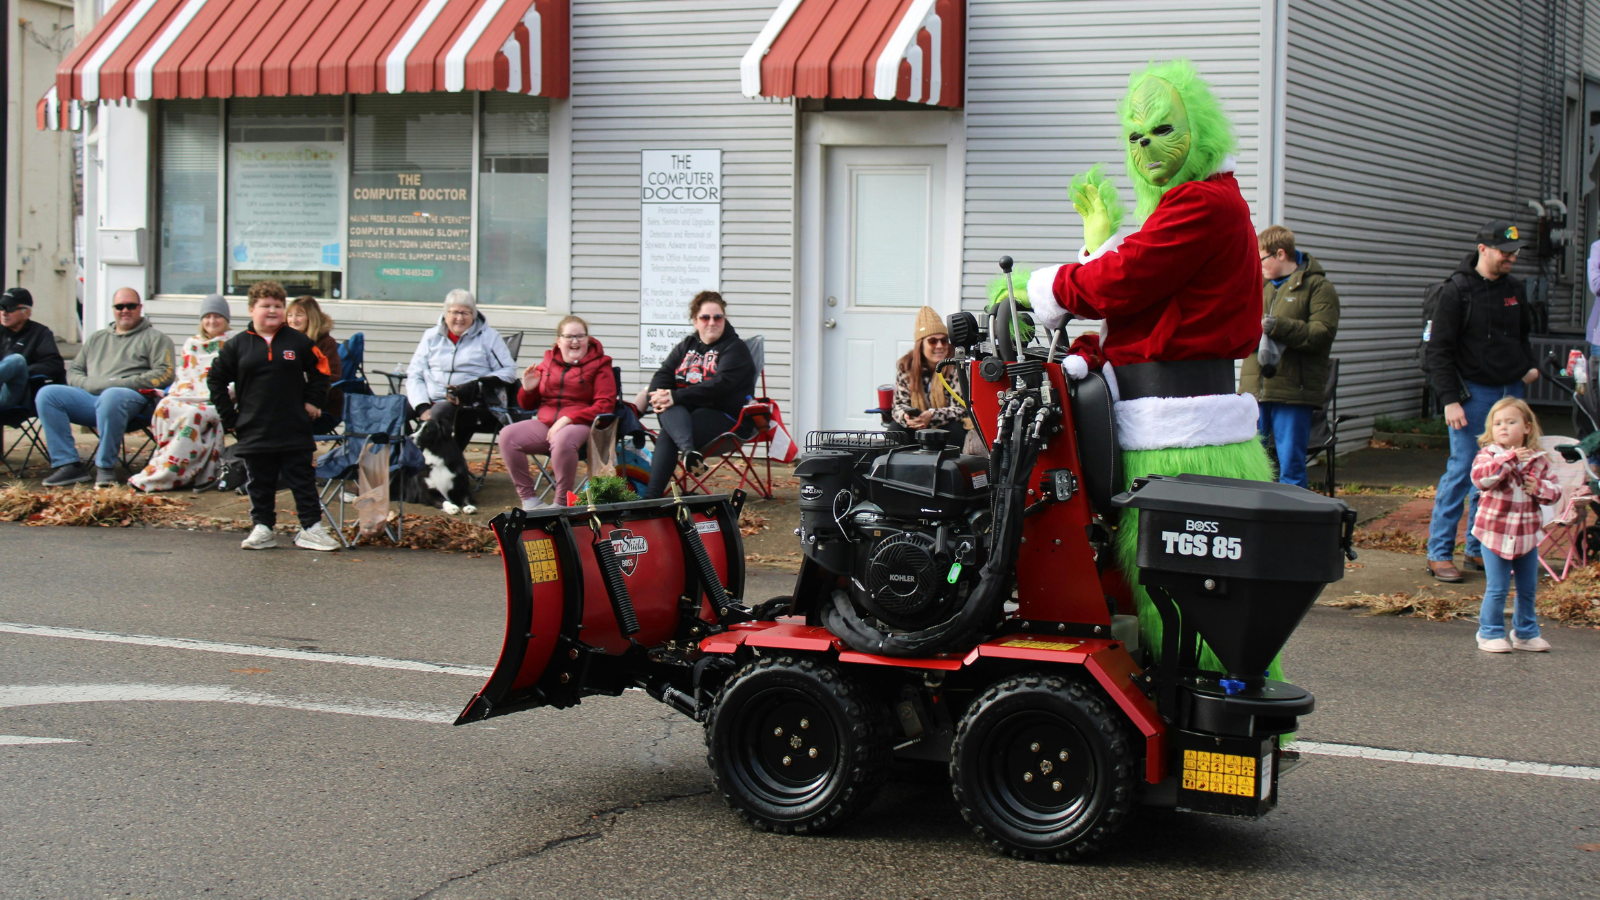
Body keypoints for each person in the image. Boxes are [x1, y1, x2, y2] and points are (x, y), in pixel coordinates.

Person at [991, 60, 1278, 681]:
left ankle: (1205, 705)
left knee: (1183, 599)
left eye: (1163, 130)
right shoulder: (1200, 203)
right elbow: (1143, 290)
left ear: (1200, 130)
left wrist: (1043, 287)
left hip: (1180, 435)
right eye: (1135, 136)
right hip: (1173, 422)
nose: (1147, 147)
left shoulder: (1203, 202)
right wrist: (1095, 246)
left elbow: (1125, 279)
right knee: (1164, 592)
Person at [1424, 221, 1539, 583]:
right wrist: (1449, 400)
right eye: (1505, 252)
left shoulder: (1514, 289)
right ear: (1483, 249)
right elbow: (1438, 350)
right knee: (1463, 470)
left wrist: (1527, 367)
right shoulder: (1456, 291)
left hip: (1510, 391)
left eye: (1514, 253)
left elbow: (1522, 336)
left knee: (1500, 471)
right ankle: (1439, 553)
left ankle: (1478, 548)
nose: (1511, 258)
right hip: (1471, 395)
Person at [208, 280, 338, 552]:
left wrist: (314, 401)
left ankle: (311, 529)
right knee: (260, 481)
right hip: (254, 428)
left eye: (278, 306)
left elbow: (322, 370)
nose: (272, 311)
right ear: (251, 309)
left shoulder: (299, 342)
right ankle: (263, 528)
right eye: (265, 305)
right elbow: (215, 379)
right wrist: (229, 417)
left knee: (302, 480)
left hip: (294, 427)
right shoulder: (237, 345)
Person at [37, 288, 175, 487]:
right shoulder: (97, 338)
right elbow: (74, 370)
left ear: (140, 308)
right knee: (48, 394)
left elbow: (165, 374)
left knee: (111, 395)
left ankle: (105, 468)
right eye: (120, 306)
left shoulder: (157, 339)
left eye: (131, 306)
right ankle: (68, 465)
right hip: (91, 398)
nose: (125, 310)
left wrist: (119, 383)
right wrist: (89, 384)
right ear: (113, 309)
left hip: (133, 400)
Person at [1238, 225, 1340, 489]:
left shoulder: (1317, 287)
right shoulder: (1257, 286)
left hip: (1294, 392)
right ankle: (1253, 512)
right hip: (1255, 391)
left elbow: (1323, 333)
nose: (1258, 265)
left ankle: (1291, 515)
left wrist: (1279, 327)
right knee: (1251, 465)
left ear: (1281, 254)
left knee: (1291, 466)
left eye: (1262, 259)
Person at [638, 291, 755, 499]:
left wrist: (676, 396)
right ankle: (688, 453)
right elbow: (663, 374)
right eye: (705, 317)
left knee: (670, 430)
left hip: (726, 418)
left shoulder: (735, 348)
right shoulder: (687, 345)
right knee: (670, 411)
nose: (712, 322)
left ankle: (651, 498)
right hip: (686, 415)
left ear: (724, 319)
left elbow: (719, 385)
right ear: (695, 321)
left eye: (718, 317)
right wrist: (659, 395)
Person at [498, 316, 616, 510]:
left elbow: (605, 405)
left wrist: (568, 419)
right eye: (569, 336)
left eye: (580, 336)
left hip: (583, 424)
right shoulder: (548, 363)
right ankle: (530, 500)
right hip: (547, 424)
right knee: (507, 435)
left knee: (562, 440)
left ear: (588, 339)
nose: (575, 341)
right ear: (558, 341)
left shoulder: (601, 364)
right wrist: (528, 389)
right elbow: (527, 406)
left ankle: (562, 504)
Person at [1469, 398, 1559, 652]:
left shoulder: (1539, 460)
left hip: (1527, 535)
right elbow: (1480, 479)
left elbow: (1555, 491)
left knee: (1528, 588)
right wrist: (1509, 459)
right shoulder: (1488, 455)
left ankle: (1525, 633)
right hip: (1494, 533)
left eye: (1511, 422)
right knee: (1497, 588)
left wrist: (1539, 488)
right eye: (1498, 423)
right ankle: (1489, 632)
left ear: (1527, 427)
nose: (1503, 427)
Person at [128, 294, 234, 492]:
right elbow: (184, 376)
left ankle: (167, 474)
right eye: (207, 316)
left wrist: (214, 396)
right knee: (165, 406)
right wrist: (184, 393)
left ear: (226, 319)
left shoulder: (234, 343)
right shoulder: (191, 344)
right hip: (188, 396)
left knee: (194, 415)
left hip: (217, 400)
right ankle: (166, 463)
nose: (212, 321)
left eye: (217, 316)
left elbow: (237, 379)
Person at [405, 289, 516, 449]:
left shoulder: (489, 337)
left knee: (439, 413)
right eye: (455, 312)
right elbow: (415, 373)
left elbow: (509, 371)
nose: (459, 318)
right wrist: (422, 406)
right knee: (395, 412)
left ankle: (436, 458)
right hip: (430, 396)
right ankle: (406, 456)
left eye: (465, 313)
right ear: (446, 314)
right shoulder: (431, 336)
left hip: (468, 402)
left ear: (473, 315)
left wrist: (477, 384)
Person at [890, 307, 968, 447]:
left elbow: (962, 409)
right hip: (916, 426)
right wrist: (906, 417)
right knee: (895, 430)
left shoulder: (957, 366)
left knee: (955, 430)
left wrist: (932, 416)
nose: (940, 346)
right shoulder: (907, 367)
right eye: (932, 341)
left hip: (946, 425)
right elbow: (898, 406)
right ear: (920, 345)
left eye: (944, 340)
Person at [0, 287, 67, 410]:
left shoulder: (40, 333)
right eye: (1, 308)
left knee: (17, 361)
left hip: (18, 394)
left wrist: (21, 371)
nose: (4, 313)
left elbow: (54, 365)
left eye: (10, 308)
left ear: (26, 312)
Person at [286, 295, 344, 432]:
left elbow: (331, 377)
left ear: (311, 317)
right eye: (289, 315)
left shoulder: (325, 342)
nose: (293, 320)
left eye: (299, 315)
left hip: (322, 406)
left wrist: (312, 400)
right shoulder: (283, 342)